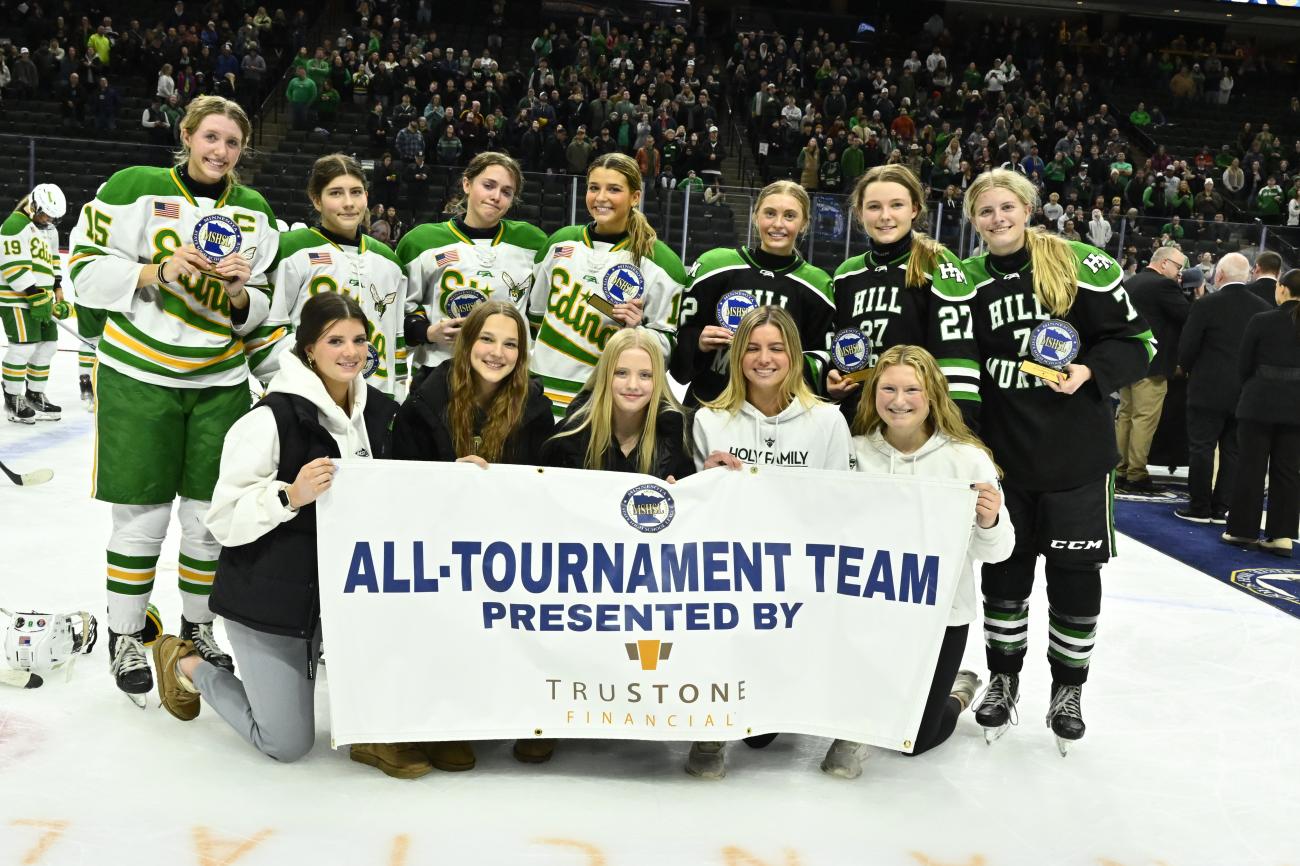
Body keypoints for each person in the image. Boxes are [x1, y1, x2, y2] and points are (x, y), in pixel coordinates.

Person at [67, 95, 279, 705]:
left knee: (207, 519)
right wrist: (155, 271)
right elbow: (80, 273)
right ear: (186, 135)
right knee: (143, 516)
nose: (220, 151)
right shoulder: (134, 186)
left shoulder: (255, 211)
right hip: (140, 374)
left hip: (219, 381)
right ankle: (127, 635)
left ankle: (199, 628)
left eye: (232, 143)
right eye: (210, 137)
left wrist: (239, 296)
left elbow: (260, 309)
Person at [152, 293, 416, 774]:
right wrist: (287, 497)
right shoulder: (268, 419)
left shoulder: (380, 411)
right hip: (269, 602)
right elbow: (224, 520)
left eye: (359, 339)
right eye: (335, 340)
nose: (350, 352)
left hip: (339, 599)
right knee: (287, 741)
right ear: (309, 349)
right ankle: (184, 663)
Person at [961, 168, 1155, 752]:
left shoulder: (1077, 263)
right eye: (986, 211)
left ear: (1027, 208)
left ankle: (1068, 688)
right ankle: (1001, 678)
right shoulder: (964, 280)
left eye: (1007, 207)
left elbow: (1138, 342)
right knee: (1005, 574)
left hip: (1075, 458)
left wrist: (1090, 371)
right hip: (1002, 461)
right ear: (973, 219)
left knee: (1074, 579)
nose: (998, 219)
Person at [821, 344, 1014, 779]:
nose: (898, 400)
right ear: (872, 395)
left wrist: (990, 519)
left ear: (934, 394)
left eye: (912, 389)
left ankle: (957, 690)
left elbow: (999, 551)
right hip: (864, 610)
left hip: (941, 615)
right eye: (887, 388)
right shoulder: (852, 452)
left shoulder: (966, 458)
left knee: (915, 741)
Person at [686, 305, 853, 779]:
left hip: (799, 571)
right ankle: (711, 729)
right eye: (753, 348)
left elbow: (842, 504)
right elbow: (696, 511)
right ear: (737, 356)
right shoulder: (710, 420)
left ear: (794, 356)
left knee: (764, 731)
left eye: (777, 348)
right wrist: (706, 479)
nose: (765, 359)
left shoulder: (827, 421)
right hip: (731, 571)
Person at [528, 152, 687, 418]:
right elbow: (535, 317)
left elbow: (666, 351)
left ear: (635, 197)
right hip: (540, 393)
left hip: (608, 403)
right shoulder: (559, 243)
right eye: (594, 188)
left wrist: (638, 331)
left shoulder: (662, 263)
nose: (601, 198)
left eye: (614, 189)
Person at [826, 164, 981, 426]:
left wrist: (957, 429)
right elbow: (840, 347)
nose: (885, 216)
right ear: (859, 213)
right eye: (874, 207)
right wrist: (834, 380)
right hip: (858, 419)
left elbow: (958, 359)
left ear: (914, 209)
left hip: (917, 423)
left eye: (896, 205)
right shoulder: (845, 274)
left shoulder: (938, 264)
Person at [252, 154, 408, 398]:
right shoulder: (289, 250)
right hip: (307, 396)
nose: (349, 203)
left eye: (356, 192)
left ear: (367, 196)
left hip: (375, 399)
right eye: (336, 193)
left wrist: (395, 395)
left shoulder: (389, 261)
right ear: (316, 200)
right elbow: (263, 340)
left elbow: (394, 339)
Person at [671, 180, 833, 407]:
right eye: (769, 213)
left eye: (789, 216)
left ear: (804, 223)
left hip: (779, 415)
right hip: (711, 405)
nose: (778, 224)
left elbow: (822, 358)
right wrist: (698, 341)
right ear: (755, 216)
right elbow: (679, 341)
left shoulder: (817, 285)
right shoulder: (714, 266)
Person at [399, 152, 546, 378]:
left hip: (508, 373)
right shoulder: (420, 242)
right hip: (441, 371)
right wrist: (427, 332)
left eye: (506, 192)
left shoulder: (532, 242)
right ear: (467, 184)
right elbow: (399, 309)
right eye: (488, 185)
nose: (496, 196)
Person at [1175, 252, 1270, 523]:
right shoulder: (1263, 308)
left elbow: (1187, 348)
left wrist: (1190, 369)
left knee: (1202, 447)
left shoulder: (1206, 305)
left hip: (1207, 388)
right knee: (1233, 450)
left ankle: (1199, 506)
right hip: (1245, 391)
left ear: (1218, 275)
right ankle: (1221, 508)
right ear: (1248, 275)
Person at [1224, 268, 1300, 556]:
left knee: (1250, 467)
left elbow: (1244, 364)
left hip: (1259, 402)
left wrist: (1255, 387)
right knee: (1288, 471)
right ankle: (1282, 536)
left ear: (1282, 289)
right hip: (1296, 407)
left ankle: (1242, 530)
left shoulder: (1263, 320)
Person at [1115, 246, 1190, 493]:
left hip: (1128, 362)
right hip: (1153, 365)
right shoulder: (1163, 286)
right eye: (1178, 267)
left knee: (1125, 416)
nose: (1180, 273)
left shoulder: (1133, 282)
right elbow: (1188, 316)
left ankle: (1120, 469)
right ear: (1165, 263)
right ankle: (1136, 474)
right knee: (1143, 420)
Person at [2, 184, 67, 424]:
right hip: (16, 299)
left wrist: (57, 288)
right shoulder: (15, 225)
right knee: (23, 348)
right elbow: (13, 265)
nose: (48, 219)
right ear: (33, 205)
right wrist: (33, 292)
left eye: (52, 216)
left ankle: (34, 394)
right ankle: (12, 398)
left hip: (41, 297)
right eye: (45, 213)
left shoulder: (49, 230)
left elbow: (53, 260)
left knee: (48, 345)